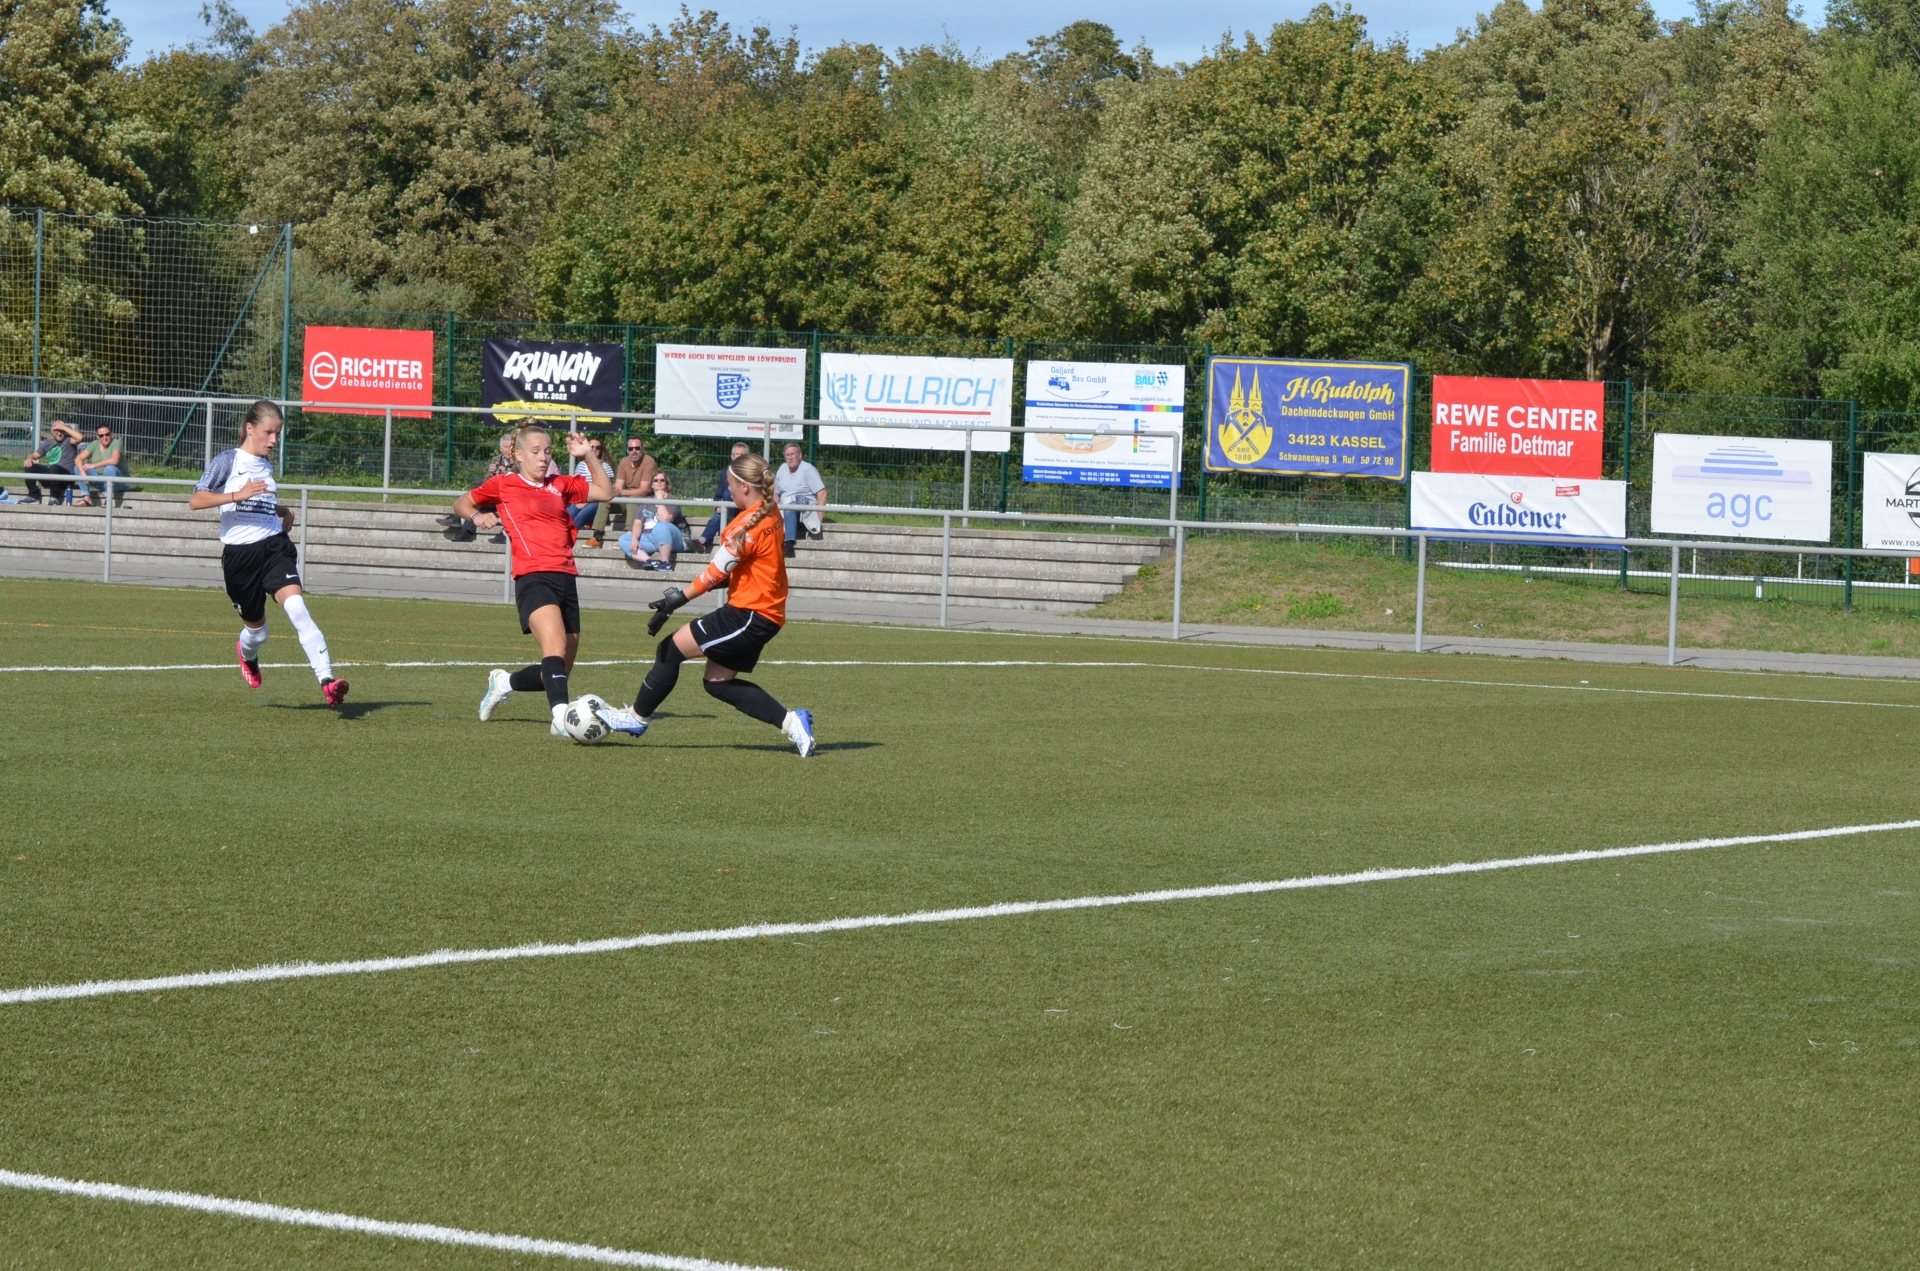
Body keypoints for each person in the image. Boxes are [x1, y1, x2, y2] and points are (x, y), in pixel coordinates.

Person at [598, 452, 815, 757]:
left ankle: (636, 718)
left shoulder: (743, 528)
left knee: (669, 649)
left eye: (730, 485)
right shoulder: (771, 512)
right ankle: (793, 722)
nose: (728, 491)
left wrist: (673, 602)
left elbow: (713, 576)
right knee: (717, 682)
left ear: (744, 487)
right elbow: (742, 570)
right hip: (762, 614)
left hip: (748, 615)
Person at [188, 400, 349, 706]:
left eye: (278, 433)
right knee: (257, 633)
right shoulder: (228, 461)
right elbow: (196, 500)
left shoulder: (266, 465)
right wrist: (237, 494)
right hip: (240, 558)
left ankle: (327, 681)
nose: (274, 440)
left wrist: (281, 510)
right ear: (250, 428)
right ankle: (247, 654)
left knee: (298, 608)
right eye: (268, 432)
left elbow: (258, 502)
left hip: (274, 547)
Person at [455, 423, 612, 735]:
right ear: (518, 455)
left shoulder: (560, 484)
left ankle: (504, 682)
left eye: (548, 451)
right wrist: (477, 516)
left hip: (566, 577)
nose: (543, 457)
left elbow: (605, 492)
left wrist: (588, 455)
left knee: (559, 670)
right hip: (532, 576)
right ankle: (561, 720)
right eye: (536, 451)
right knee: (554, 646)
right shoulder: (503, 484)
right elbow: (462, 502)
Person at [441, 432, 517, 542]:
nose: (508, 450)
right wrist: (491, 473)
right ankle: (463, 527)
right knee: (477, 488)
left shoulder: (518, 461)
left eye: (510, 447)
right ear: (501, 449)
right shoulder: (496, 459)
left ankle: (461, 523)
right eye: (506, 447)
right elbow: (485, 483)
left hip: (507, 498)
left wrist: (506, 474)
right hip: (492, 497)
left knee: (477, 491)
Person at [618, 472, 691, 570]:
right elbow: (637, 523)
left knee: (661, 526)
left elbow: (665, 519)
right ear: (652, 485)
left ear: (666, 483)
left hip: (673, 540)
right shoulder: (646, 501)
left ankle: (665, 563)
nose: (659, 482)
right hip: (650, 539)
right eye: (655, 480)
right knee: (624, 539)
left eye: (662, 480)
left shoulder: (672, 500)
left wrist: (660, 499)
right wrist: (634, 539)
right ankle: (650, 561)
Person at [694, 442, 751, 550]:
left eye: (742, 455)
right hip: (727, 510)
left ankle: (703, 540)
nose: (739, 457)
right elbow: (717, 495)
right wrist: (717, 507)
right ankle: (702, 541)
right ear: (732, 457)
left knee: (727, 495)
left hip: (743, 509)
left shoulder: (750, 474)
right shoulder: (725, 472)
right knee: (719, 514)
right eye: (737, 454)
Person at [773, 442, 828, 554]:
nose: (790, 457)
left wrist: (820, 516)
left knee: (790, 505)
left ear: (800, 455)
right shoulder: (782, 469)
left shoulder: (808, 470)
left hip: (804, 505)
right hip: (785, 505)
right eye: (787, 455)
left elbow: (822, 493)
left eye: (793, 454)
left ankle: (789, 545)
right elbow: (776, 494)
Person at [569, 435, 617, 547]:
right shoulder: (581, 465)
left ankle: (567, 542)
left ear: (601, 450)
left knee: (579, 518)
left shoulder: (605, 466)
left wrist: (586, 501)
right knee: (569, 515)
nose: (594, 449)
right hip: (581, 498)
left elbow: (606, 490)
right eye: (591, 447)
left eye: (597, 447)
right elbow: (577, 485)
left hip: (596, 500)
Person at [23, 419, 82, 504]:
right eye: (56, 431)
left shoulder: (69, 440)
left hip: (66, 477)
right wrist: (29, 459)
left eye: (61, 430)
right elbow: (33, 456)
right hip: (50, 476)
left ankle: (54, 497)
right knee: (29, 465)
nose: (59, 433)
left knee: (54, 467)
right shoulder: (47, 443)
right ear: (52, 431)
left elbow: (80, 437)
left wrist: (64, 427)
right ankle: (33, 495)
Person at [75, 423, 128, 507]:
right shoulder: (95, 444)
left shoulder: (116, 443)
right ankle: (86, 498)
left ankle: (108, 499)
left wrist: (94, 465)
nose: (105, 437)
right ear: (97, 436)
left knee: (110, 468)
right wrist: (82, 472)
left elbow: (114, 460)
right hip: (101, 481)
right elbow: (78, 458)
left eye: (107, 434)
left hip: (119, 482)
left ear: (111, 434)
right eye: (101, 435)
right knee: (78, 467)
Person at [613, 435, 659, 531]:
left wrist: (621, 492)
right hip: (627, 500)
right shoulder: (623, 462)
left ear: (643, 449)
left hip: (644, 501)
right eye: (631, 449)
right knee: (606, 499)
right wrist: (614, 492)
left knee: (633, 499)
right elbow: (618, 486)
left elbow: (643, 491)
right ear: (627, 450)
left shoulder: (649, 462)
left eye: (637, 448)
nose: (634, 451)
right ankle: (597, 533)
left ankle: (629, 532)